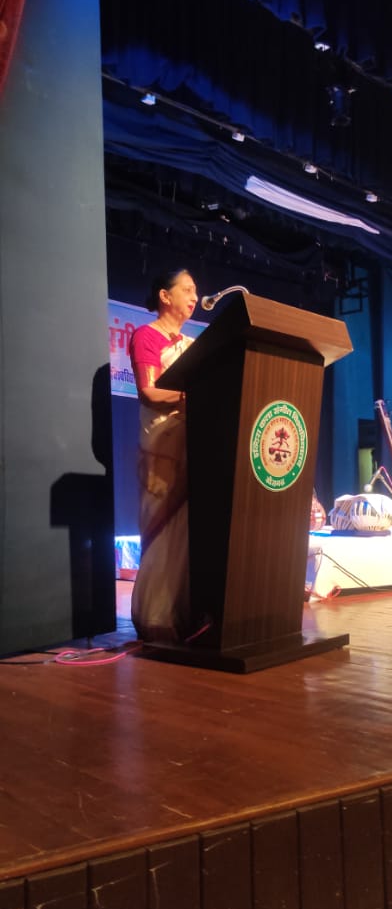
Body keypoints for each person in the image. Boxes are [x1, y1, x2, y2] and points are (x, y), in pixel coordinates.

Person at [129, 268, 198, 643]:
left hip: (192, 439)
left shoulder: (191, 344)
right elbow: (149, 392)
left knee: (186, 528)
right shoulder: (146, 336)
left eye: (195, 290)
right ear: (164, 296)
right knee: (161, 526)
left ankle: (182, 610)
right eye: (186, 289)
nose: (193, 296)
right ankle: (155, 616)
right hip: (160, 444)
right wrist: (192, 398)